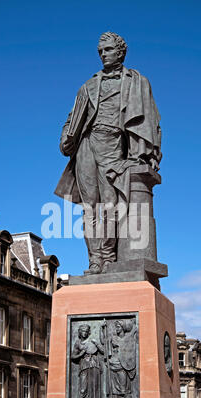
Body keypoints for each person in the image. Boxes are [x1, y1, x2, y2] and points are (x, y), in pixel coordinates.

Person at [55, 32, 162, 274]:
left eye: (108, 49)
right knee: (90, 208)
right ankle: (95, 261)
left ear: (120, 52)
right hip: (86, 145)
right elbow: (72, 118)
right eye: (100, 51)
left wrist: (148, 152)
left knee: (110, 205)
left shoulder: (135, 82)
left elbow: (150, 118)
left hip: (113, 145)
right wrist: (66, 136)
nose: (103, 54)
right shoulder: (89, 85)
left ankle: (108, 256)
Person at [101, 318, 137, 398]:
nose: (116, 328)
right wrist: (102, 328)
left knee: (123, 389)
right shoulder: (113, 338)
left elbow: (129, 351)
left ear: (123, 328)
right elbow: (104, 342)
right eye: (116, 326)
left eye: (118, 327)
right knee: (114, 391)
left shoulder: (128, 339)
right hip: (112, 365)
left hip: (122, 367)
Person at [71, 324, 103, 398]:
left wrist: (97, 344)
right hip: (84, 366)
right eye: (82, 331)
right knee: (83, 389)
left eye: (86, 331)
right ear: (80, 332)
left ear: (88, 332)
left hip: (94, 365)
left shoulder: (93, 341)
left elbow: (103, 351)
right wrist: (81, 354)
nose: (84, 333)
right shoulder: (78, 343)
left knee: (94, 389)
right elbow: (73, 356)